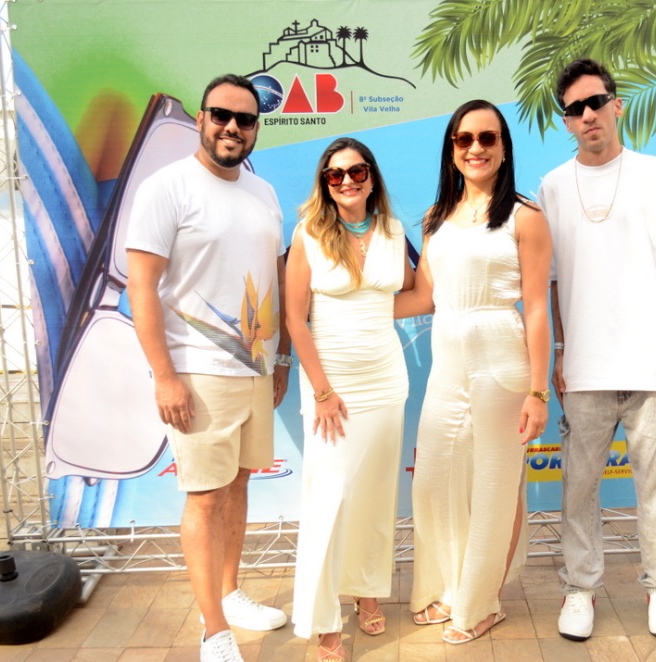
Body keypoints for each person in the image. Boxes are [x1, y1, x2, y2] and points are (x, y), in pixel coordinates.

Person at [537, 57, 656, 641]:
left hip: (654, 366)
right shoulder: (552, 187)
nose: (587, 115)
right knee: (578, 488)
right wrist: (561, 350)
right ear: (566, 121)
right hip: (584, 369)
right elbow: (552, 281)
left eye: (595, 102)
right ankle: (579, 590)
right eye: (574, 109)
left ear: (617, 104)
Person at [126, 74, 291, 662]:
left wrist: (282, 359)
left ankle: (228, 593)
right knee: (204, 496)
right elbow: (141, 286)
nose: (232, 127)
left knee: (239, 484)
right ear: (201, 118)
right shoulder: (166, 188)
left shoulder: (263, 192)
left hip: (255, 369)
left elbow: (276, 279)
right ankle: (213, 632)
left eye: (245, 119)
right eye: (221, 115)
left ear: (256, 128)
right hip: (196, 372)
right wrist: (165, 376)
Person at [395, 99, 552, 645]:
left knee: (494, 487)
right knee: (433, 483)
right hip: (448, 366)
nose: (476, 148)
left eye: (488, 137)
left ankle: (483, 603)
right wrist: (351, 307)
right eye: (464, 139)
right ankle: (449, 585)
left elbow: (537, 308)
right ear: (452, 149)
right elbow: (423, 296)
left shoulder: (526, 217)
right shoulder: (436, 218)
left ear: (504, 148)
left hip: (501, 363)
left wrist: (538, 391)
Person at [285, 137, 413, 662]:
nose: (346, 181)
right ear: (325, 183)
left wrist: (374, 315)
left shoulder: (393, 231)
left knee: (375, 496)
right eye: (335, 175)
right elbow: (295, 319)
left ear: (371, 176)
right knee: (329, 500)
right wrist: (322, 391)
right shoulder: (309, 234)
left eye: (356, 171)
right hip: (330, 386)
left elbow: (413, 292)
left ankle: (366, 591)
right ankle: (324, 623)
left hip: (387, 381)